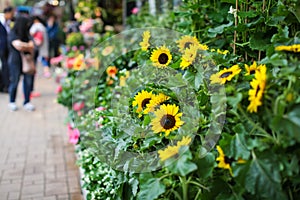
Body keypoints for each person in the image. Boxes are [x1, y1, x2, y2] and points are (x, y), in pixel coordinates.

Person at [7, 15, 35, 111]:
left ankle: (27, 101)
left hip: (26, 62)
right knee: (14, 81)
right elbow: (18, 46)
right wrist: (27, 46)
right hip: (15, 61)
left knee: (28, 82)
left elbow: (31, 45)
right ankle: (12, 101)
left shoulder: (27, 34)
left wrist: (24, 45)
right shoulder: (13, 33)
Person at [0, 6, 14, 93]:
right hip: (1, 48)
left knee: (5, 66)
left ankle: (4, 85)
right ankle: (5, 85)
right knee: (4, 66)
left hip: (5, 48)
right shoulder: (1, 21)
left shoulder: (8, 22)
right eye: (11, 14)